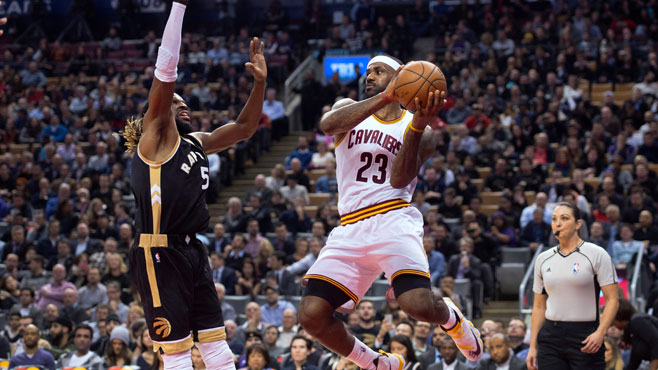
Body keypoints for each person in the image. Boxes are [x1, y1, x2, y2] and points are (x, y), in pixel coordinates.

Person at [298, 54, 482, 370]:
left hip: (393, 218)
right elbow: (328, 125)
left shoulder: (422, 132)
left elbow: (399, 179)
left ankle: (451, 317)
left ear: (402, 77)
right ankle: (376, 363)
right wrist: (385, 96)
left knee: (418, 305)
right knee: (311, 314)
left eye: (378, 71)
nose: (369, 75)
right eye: (368, 72)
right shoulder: (348, 107)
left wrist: (420, 122)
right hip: (350, 226)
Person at [119, 0, 267, 366]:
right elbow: (166, 71)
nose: (184, 106)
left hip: (191, 250)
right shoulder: (154, 141)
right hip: (159, 251)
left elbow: (245, 128)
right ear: (157, 112)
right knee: (178, 351)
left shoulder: (195, 141)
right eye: (176, 103)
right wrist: (180, 7)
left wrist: (260, 83)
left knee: (216, 344)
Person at [527, 202, 619, 370]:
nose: (558, 223)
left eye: (564, 218)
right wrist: (532, 347)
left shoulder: (597, 254)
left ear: (578, 224)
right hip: (550, 336)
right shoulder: (542, 259)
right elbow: (539, 307)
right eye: (554, 219)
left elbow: (613, 299)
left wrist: (600, 333)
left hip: (585, 334)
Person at [612, 298, 658, 370]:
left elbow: (656, 343)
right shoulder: (632, 330)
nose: (612, 325)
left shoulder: (638, 322)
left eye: (612, 321)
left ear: (618, 317)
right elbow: (634, 362)